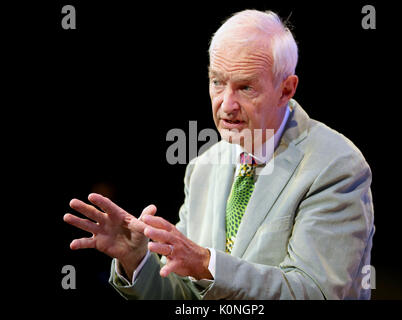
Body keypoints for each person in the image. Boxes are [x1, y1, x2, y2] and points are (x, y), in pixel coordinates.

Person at [63, 9, 375, 300]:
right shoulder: (203, 167)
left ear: (286, 89)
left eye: (246, 88)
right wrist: (138, 261)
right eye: (217, 82)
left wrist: (206, 263)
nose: (226, 104)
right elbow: (186, 295)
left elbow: (316, 291)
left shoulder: (336, 166)